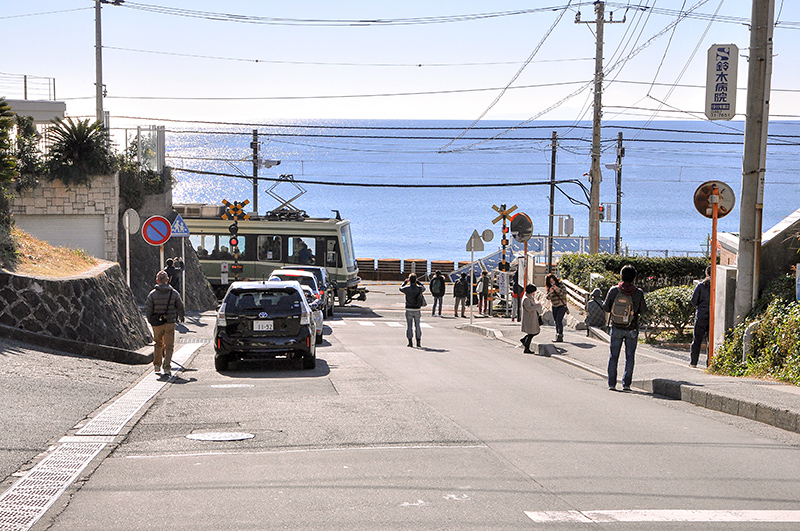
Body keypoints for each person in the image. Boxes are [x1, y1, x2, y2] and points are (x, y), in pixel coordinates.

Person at [602, 265, 647, 391]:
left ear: (621, 276)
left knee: (613, 356)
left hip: (616, 327)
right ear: (634, 278)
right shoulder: (638, 292)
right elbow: (643, 311)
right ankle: (626, 384)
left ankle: (612, 384)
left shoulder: (614, 290)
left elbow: (605, 307)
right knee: (630, 357)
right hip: (631, 328)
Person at [145, 270, 185, 378]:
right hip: (170, 322)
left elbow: (148, 309)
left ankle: (157, 365)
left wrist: (150, 320)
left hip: (157, 323)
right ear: (167, 280)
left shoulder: (152, 294)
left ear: (157, 280)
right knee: (169, 346)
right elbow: (180, 306)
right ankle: (167, 367)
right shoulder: (174, 293)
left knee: (157, 343)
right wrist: (181, 316)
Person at [690, 266, 712, 368]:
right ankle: (709, 363)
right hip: (713, 316)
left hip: (701, 316)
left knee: (697, 340)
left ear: (706, 274)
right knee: (710, 341)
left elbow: (693, 301)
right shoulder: (718, 285)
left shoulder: (701, 286)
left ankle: (694, 362)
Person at [400, 274, 426, 347]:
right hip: (417, 308)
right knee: (417, 325)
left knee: (409, 326)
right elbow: (424, 288)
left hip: (409, 308)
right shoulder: (419, 288)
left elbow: (400, 288)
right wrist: (419, 282)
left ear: (409, 280)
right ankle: (418, 341)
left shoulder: (407, 288)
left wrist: (404, 282)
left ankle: (410, 342)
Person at [545, 273, 568, 342]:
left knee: (559, 320)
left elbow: (564, 293)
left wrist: (557, 289)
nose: (552, 282)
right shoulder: (549, 288)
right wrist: (551, 292)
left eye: (553, 280)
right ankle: (557, 335)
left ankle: (560, 335)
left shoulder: (560, 285)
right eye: (550, 281)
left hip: (561, 305)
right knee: (556, 321)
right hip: (554, 305)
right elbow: (547, 297)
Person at [520, 284, 542, 353]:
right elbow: (529, 308)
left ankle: (524, 341)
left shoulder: (529, 297)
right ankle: (526, 347)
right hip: (529, 318)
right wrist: (538, 305)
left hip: (532, 317)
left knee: (533, 332)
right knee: (531, 333)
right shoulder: (526, 299)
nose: (534, 293)